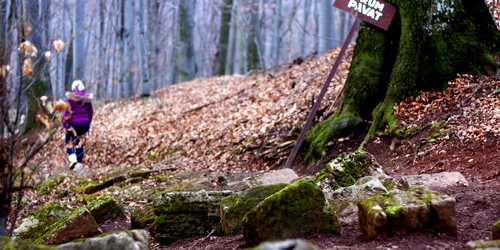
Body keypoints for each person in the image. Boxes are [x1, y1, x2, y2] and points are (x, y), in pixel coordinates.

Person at [63, 80, 94, 169]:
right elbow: (91, 112)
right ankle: (79, 166)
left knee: (68, 142)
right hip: (84, 124)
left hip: (73, 124)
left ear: (73, 88)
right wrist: (88, 123)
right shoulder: (87, 99)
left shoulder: (70, 99)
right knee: (79, 144)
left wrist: (65, 125)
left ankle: (72, 158)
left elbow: (67, 113)